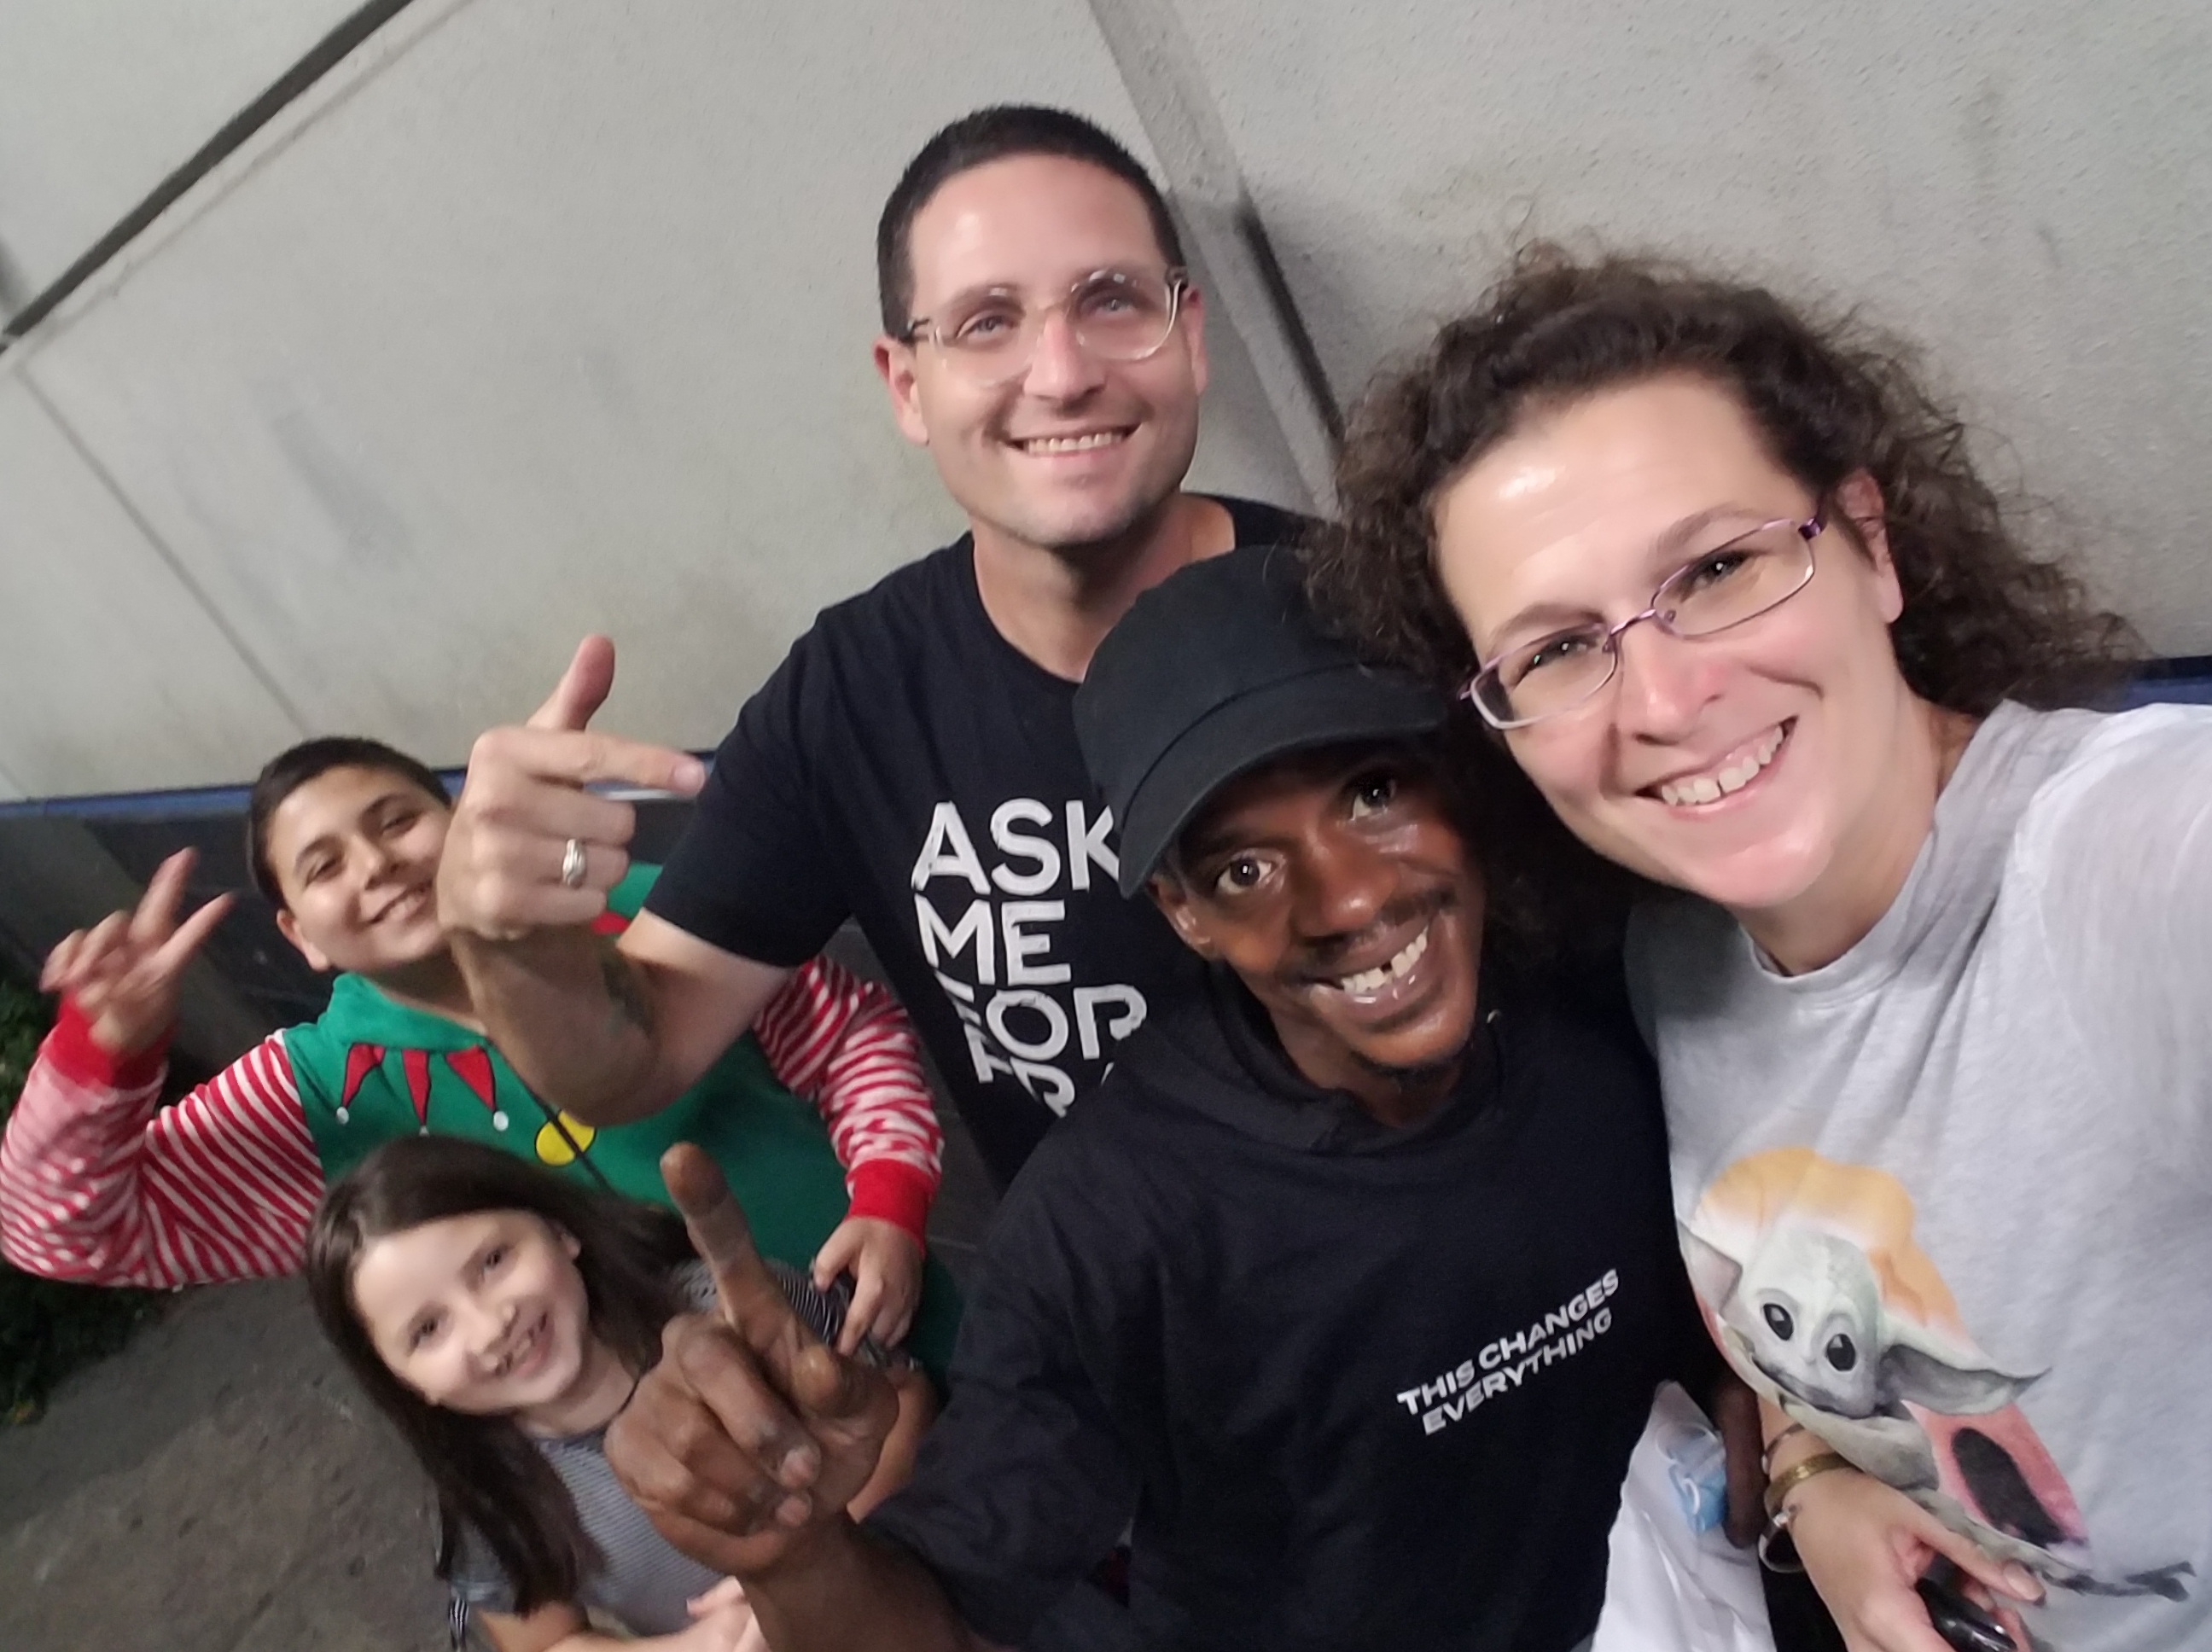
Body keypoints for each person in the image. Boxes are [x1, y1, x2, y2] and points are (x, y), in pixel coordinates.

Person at [1308, 247, 2212, 1652]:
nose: (1666, 699)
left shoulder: (2122, 863)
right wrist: (1813, 1477)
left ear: (1870, 544)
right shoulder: (1671, 959)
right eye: (1556, 651)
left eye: (1719, 568)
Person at [586, 544, 1717, 1652]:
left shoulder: (1598, 988)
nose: (1349, 897)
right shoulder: (1117, 1228)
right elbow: (943, 1624)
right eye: (1244, 869)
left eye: (1373, 794)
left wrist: (1774, 1421)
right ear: (1184, 913)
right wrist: (799, 1556)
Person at [430, 104, 1307, 1189]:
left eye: (1112, 300)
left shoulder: (1364, 606)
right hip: (1133, 1291)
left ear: (1190, 335)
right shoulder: (851, 701)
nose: (1062, 371)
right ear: (907, 386)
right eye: (987, 322)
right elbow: (636, 1059)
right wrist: (509, 951)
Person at [0, 736, 958, 1373]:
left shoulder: (632, 914)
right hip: (702, 1472)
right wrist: (104, 1052)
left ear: (463, 824)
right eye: (324, 866)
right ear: (300, 938)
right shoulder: (314, 1091)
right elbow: (55, 1232)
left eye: (396, 820)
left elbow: (848, 1035)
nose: (377, 865)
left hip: (889, 1310)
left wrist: (890, 1200)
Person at [304, 1135, 935, 1651]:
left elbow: (906, 1401)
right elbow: (544, 1643)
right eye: (428, 1330)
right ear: (404, 1384)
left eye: (493, 1262)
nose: (490, 1325)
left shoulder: (732, 1313)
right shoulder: (487, 1494)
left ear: (559, 1230)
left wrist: (802, 1574)